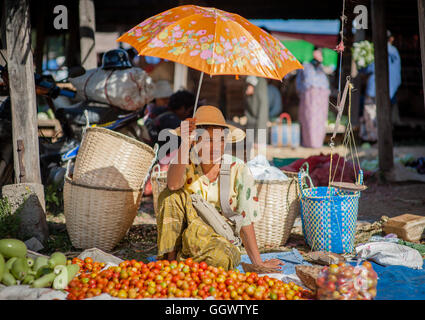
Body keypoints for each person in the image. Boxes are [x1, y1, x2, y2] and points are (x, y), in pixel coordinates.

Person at [156, 105, 284, 271]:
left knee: (221, 259)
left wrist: (257, 262)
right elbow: (173, 184)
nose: (215, 146)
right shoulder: (186, 163)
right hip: (186, 235)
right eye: (208, 140)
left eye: (221, 140)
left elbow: (245, 220)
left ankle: (186, 261)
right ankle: (170, 263)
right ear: (196, 141)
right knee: (170, 195)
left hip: (217, 239)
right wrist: (185, 142)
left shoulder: (238, 169)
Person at [360, 30, 402, 141]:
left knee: (372, 114)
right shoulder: (395, 51)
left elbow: (369, 68)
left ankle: (374, 139)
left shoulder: (376, 50)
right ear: (390, 39)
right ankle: (385, 138)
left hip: (375, 89)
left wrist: (362, 67)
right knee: (385, 115)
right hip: (391, 90)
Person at [295, 47, 330, 148]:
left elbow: (326, 84)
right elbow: (299, 83)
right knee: (309, 118)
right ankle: (309, 142)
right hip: (309, 96)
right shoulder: (306, 66)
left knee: (320, 119)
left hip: (322, 97)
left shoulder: (322, 69)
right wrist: (302, 93)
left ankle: (317, 143)